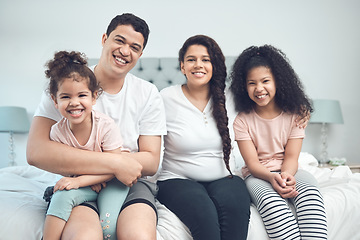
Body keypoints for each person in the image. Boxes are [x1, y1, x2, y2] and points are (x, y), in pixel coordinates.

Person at [27, 13, 166, 240]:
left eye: (134, 47)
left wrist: (118, 168)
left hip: (131, 183)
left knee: (138, 236)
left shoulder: (148, 93)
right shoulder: (67, 84)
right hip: (80, 182)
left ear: (140, 54)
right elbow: (36, 152)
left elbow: (151, 161)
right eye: (119, 41)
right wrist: (116, 162)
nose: (124, 51)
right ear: (104, 39)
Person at [156, 35, 251, 240]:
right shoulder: (165, 97)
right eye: (191, 59)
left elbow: (267, 102)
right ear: (182, 66)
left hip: (225, 177)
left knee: (237, 214)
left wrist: (299, 111)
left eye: (206, 59)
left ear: (214, 65)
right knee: (206, 217)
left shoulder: (231, 97)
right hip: (176, 179)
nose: (198, 65)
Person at [230, 45, 328, 240]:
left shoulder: (296, 115)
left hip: (290, 169)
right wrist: (272, 178)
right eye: (252, 83)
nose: (259, 88)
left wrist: (286, 175)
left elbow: (292, 157)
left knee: (311, 196)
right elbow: (253, 164)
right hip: (258, 175)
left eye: (265, 81)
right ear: (244, 86)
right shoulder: (241, 121)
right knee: (272, 205)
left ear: (278, 81)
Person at [41, 50, 130, 240]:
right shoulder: (57, 132)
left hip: (113, 181)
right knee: (61, 196)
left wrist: (82, 180)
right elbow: (66, 167)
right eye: (65, 97)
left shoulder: (105, 126)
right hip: (86, 182)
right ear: (55, 101)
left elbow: (115, 167)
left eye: (82, 95)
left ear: (94, 97)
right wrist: (83, 180)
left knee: (108, 226)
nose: (74, 103)